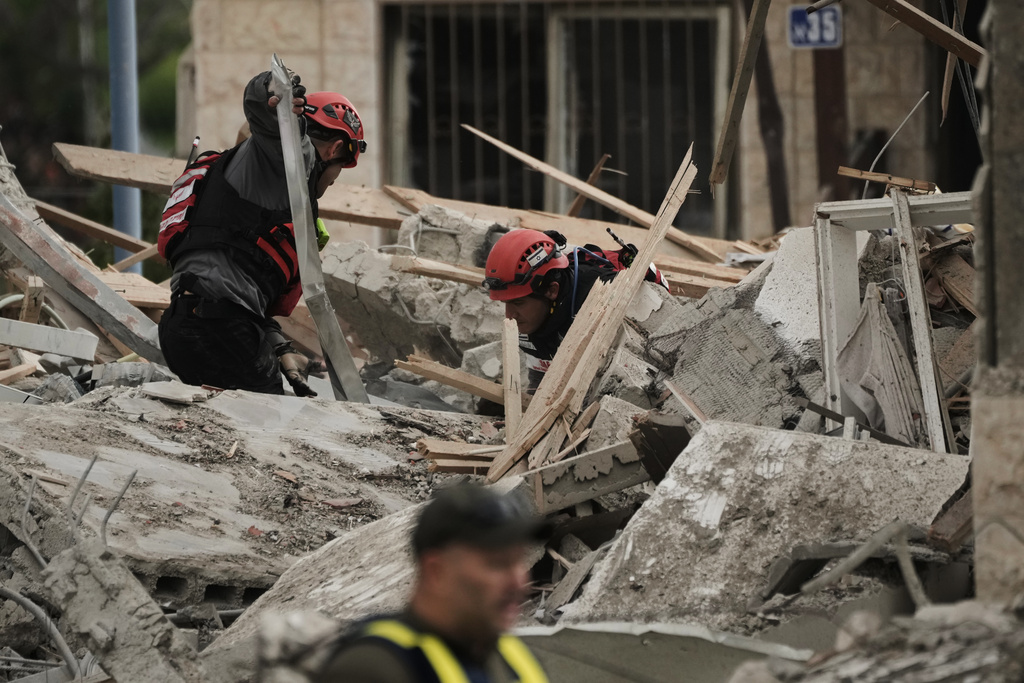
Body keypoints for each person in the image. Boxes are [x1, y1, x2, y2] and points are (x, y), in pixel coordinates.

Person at [156, 70, 366, 396]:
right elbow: (262, 110)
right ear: (335, 149)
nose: (335, 180)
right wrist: (274, 90)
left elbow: (239, 283)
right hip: (220, 331)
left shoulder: (268, 188)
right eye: (340, 169)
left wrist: (279, 347)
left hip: (185, 328)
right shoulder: (287, 158)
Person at [314, 483, 550, 683]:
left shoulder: (510, 657)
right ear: (436, 571)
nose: (519, 583)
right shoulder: (374, 668)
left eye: (520, 561)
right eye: (498, 564)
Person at [483, 228, 667, 390]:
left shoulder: (604, 294)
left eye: (518, 303)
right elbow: (540, 385)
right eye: (505, 303)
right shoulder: (528, 320)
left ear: (551, 290)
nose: (509, 316)